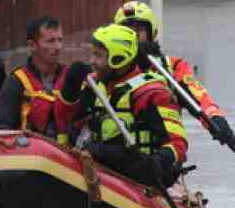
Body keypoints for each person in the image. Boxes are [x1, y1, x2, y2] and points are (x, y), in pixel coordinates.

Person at [69, 23, 189, 186]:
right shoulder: (94, 86)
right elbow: (72, 125)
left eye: (98, 56)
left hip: (141, 174)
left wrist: (158, 162)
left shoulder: (151, 93)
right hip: (103, 166)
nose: (92, 61)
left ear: (118, 58)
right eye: (92, 55)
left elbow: (178, 144)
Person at [112, 0, 235, 146]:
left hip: (162, 156)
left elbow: (199, 98)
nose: (133, 37)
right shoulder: (107, 68)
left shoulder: (172, 67)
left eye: (138, 31)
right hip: (115, 154)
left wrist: (215, 119)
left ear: (152, 33)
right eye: (127, 32)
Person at [0, 15, 73, 144]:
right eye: (51, 41)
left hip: (68, 156)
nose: (58, 47)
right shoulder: (16, 81)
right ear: (32, 45)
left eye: (60, 40)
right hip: (30, 156)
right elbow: (1, 129)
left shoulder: (70, 77)